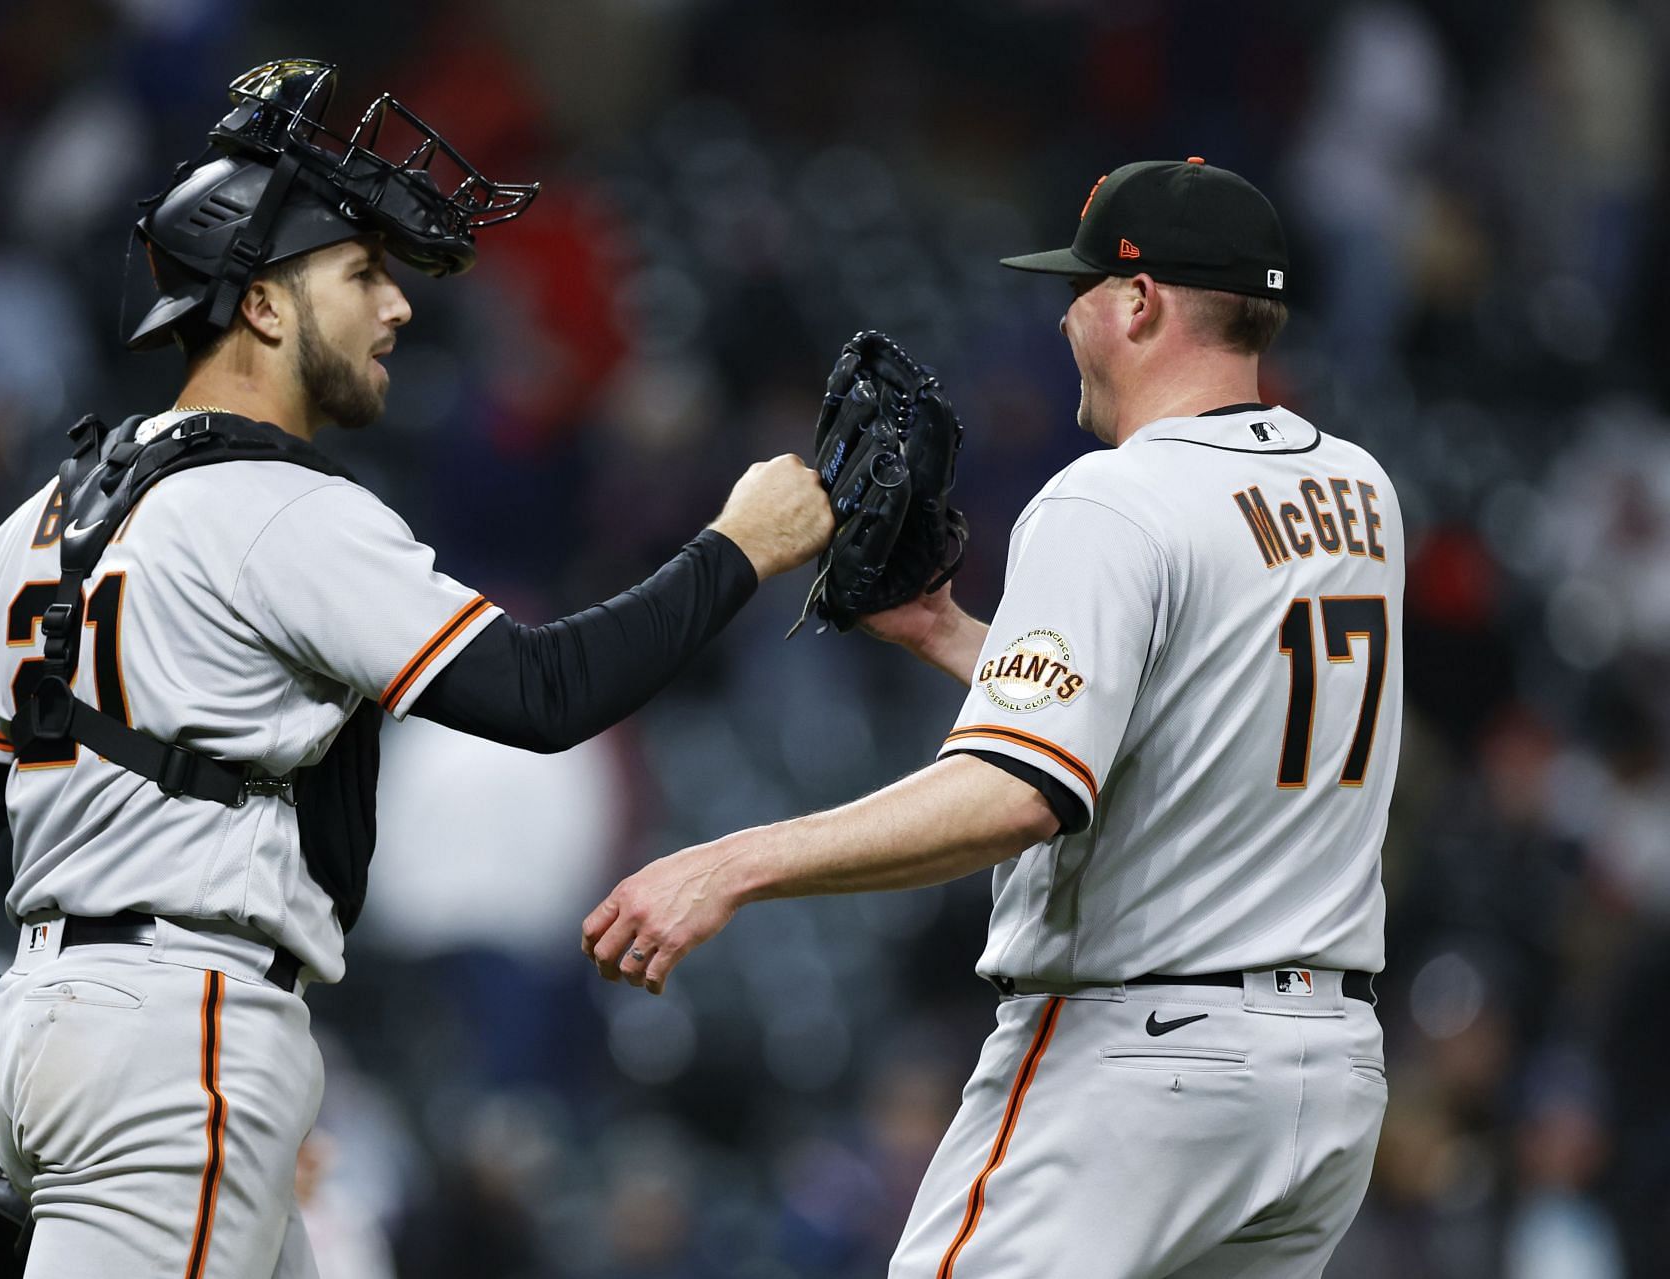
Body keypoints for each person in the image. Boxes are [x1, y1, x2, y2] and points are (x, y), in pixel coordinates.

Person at [0, 60, 831, 1279]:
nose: (397, 308)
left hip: (42, 1025)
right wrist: (738, 550)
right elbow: (540, 693)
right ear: (267, 308)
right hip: (177, 1035)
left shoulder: (33, 526)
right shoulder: (282, 512)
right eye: (362, 273)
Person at [584, 157, 1402, 1277]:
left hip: (1140, 1064)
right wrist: (959, 639)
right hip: (1326, 1074)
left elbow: (1019, 793)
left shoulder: (1110, 495)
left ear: (1139, 302)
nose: (1063, 315)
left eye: (1080, 289)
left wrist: (732, 863)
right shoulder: (1359, 491)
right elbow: (1197, 726)